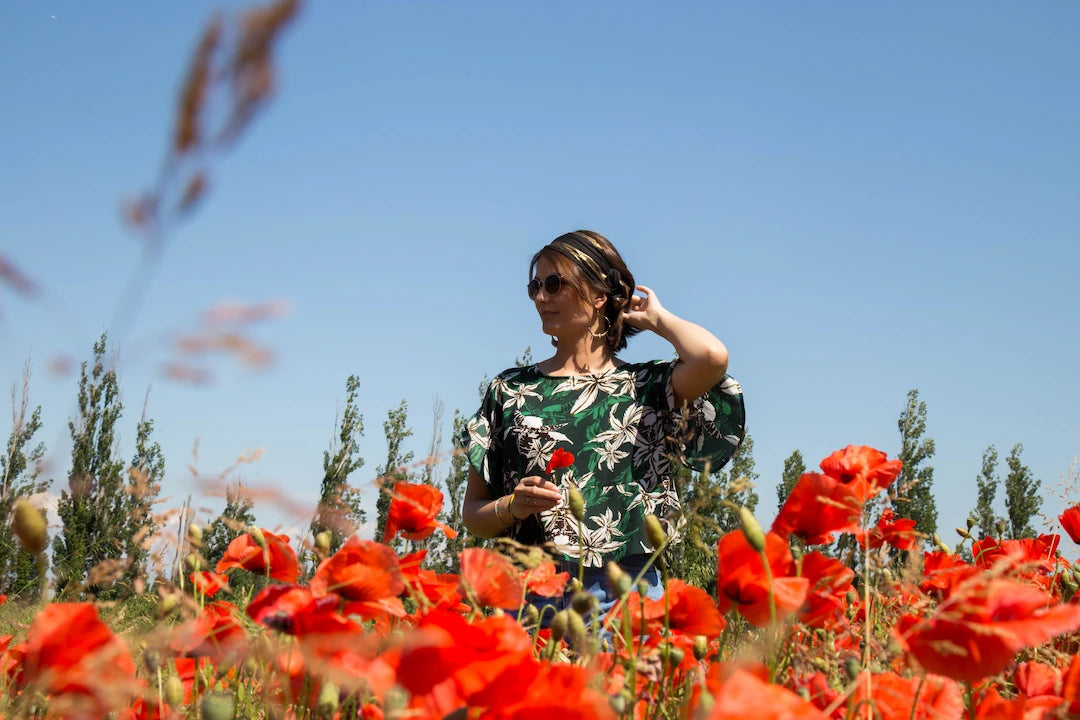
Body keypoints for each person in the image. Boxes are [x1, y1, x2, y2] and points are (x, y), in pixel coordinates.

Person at [458, 230, 745, 616]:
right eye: (535, 287)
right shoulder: (510, 389)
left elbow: (711, 357)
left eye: (555, 284)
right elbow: (474, 515)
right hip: (528, 591)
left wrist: (658, 319)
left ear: (598, 294)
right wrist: (512, 506)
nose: (541, 297)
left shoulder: (648, 386)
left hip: (624, 594)